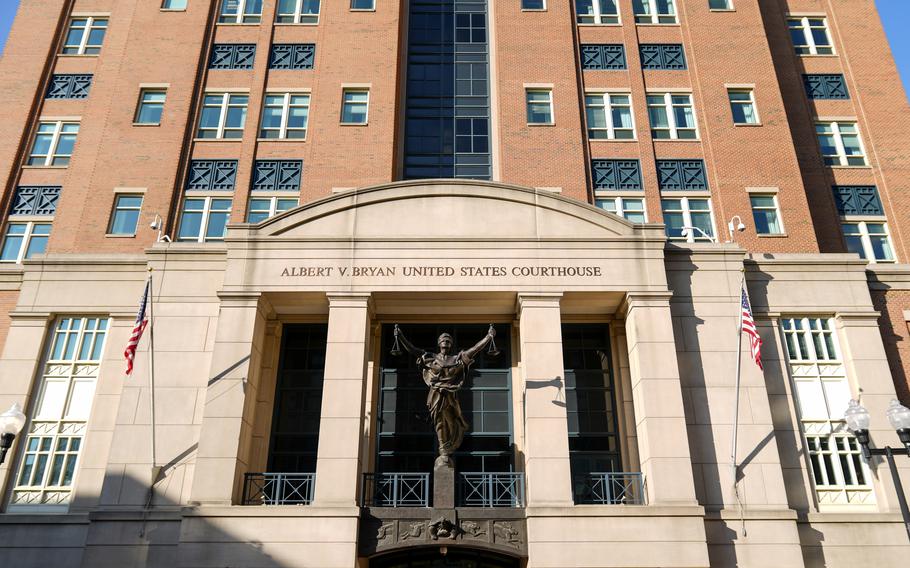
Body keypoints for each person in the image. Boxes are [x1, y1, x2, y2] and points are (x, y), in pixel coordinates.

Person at [393, 324, 496, 466]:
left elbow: (474, 350)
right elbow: (413, 350)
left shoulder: (457, 359)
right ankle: (443, 449)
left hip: (451, 396)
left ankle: (448, 447)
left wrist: (488, 337)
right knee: (439, 422)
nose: (446, 343)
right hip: (436, 395)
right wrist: (400, 336)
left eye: (448, 341)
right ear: (439, 343)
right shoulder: (431, 358)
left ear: (451, 344)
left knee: (452, 424)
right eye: (443, 341)